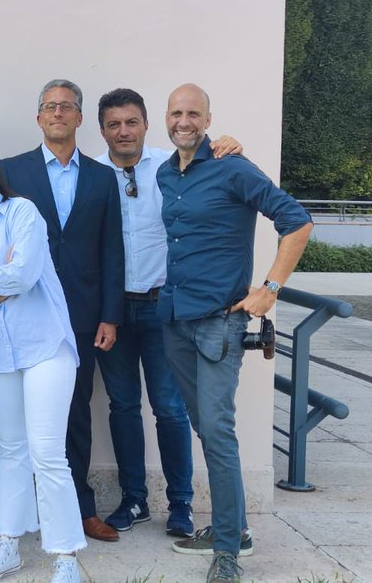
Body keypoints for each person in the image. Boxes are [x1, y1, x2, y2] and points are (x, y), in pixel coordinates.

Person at [159, 84, 312, 583]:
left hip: (219, 323)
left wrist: (271, 288)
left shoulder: (234, 167)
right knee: (205, 428)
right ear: (167, 118)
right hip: (175, 320)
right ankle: (236, 528)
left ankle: (227, 550)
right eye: (176, 113)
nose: (183, 121)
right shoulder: (166, 173)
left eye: (193, 113)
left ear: (208, 120)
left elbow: (297, 221)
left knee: (219, 431)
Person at [92, 87, 242, 538]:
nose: (123, 131)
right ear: (103, 130)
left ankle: (180, 504)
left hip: (165, 308)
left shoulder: (174, 165)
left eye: (131, 122)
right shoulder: (92, 175)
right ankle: (133, 499)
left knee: (170, 408)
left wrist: (228, 145)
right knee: (122, 405)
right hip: (114, 311)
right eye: (114, 124)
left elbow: (217, 174)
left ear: (146, 124)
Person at [0, 142, 86, 583]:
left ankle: (65, 556)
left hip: (45, 343)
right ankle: (8, 544)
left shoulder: (23, 212)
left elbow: (25, 275)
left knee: (47, 452)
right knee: (10, 450)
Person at [0, 79, 124, 543]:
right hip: (22, 310)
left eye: (66, 107)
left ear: (79, 118)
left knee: (75, 412)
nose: (57, 113)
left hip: (81, 315)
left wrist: (110, 315)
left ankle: (81, 509)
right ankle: (2, 518)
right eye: (50, 106)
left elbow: (112, 250)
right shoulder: (11, 171)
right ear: (38, 118)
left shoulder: (102, 177)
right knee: (10, 420)